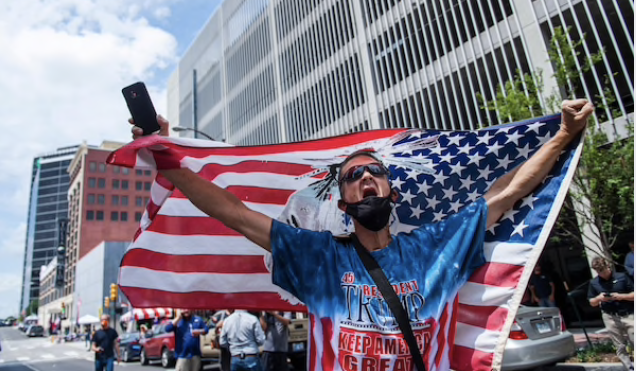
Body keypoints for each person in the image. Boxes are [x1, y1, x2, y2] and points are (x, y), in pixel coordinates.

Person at [131, 99, 593, 370]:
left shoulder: (436, 248)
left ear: (392, 191)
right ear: (343, 200)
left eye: (377, 171)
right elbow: (234, 213)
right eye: (355, 175)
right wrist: (169, 159)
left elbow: (509, 190)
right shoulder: (319, 259)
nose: (368, 177)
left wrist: (562, 135)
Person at [588, 257, 634, 371]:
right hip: (610, 316)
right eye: (599, 272)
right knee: (620, 346)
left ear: (608, 267)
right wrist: (599, 298)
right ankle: (629, 368)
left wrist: (620, 296)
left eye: (603, 271)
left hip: (628, 315)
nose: (602, 274)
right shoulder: (594, 283)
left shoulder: (622, 277)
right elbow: (591, 302)